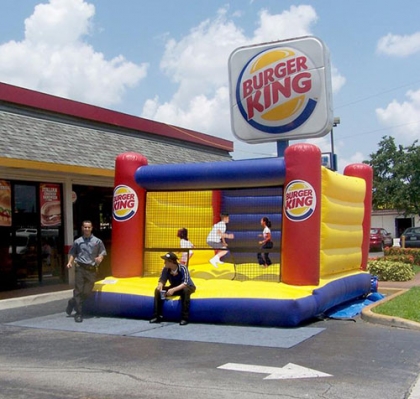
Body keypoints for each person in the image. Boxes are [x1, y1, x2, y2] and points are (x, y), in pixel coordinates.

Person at [65, 220, 107, 323]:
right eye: (85, 227)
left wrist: (100, 258)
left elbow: (103, 252)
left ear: (92, 228)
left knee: (87, 291)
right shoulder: (78, 241)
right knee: (79, 290)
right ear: (82, 228)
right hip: (80, 268)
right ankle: (79, 314)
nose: (87, 229)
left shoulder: (97, 241)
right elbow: (73, 253)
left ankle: (72, 302)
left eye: (89, 227)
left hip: (91, 269)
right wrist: (70, 262)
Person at [150, 252, 196, 326]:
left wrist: (173, 290)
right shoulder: (166, 269)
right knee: (157, 291)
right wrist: (160, 285)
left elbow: (185, 283)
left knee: (185, 291)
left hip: (186, 287)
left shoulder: (183, 268)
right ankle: (157, 316)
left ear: (171, 262)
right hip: (174, 286)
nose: (164, 263)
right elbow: (162, 280)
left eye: (166, 261)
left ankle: (184, 318)